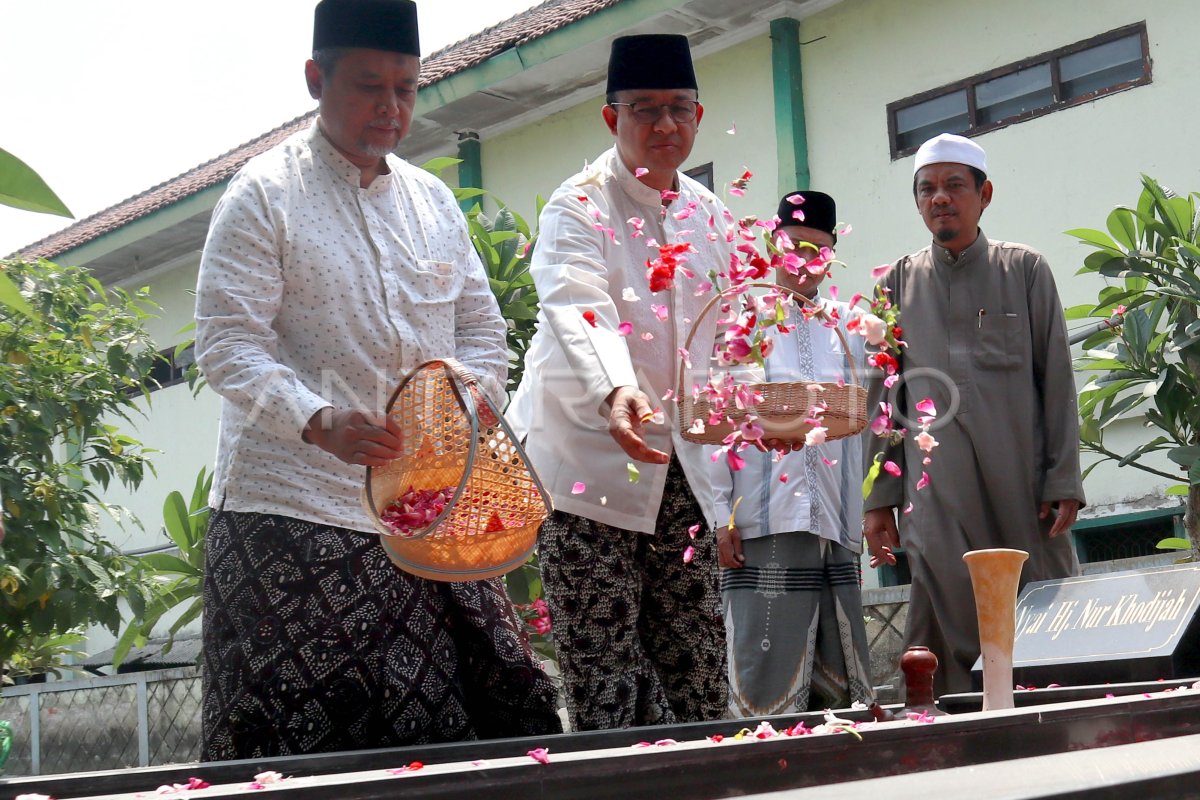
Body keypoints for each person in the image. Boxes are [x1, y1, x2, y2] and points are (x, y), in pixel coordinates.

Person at [193, 0, 560, 760]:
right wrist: (316, 418)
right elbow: (227, 344)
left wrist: (465, 409)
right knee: (306, 744)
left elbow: (481, 332)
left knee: (478, 721)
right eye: (368, 86)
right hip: (291, 512)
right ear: (315, 79)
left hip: (427, 517)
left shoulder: (431, 204)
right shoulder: (264, 194)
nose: (391, 108)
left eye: (406, 88)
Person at [506, 34, 729, 730]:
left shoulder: (711, 214)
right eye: (645, 109)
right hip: (584, 471)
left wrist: (742, 408)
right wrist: (615, 389)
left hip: (680, 469)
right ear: (612, 118)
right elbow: (577, 300)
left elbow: (726, 329)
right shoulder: (577, 205)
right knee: (606, 669)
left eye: (679, 109)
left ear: (697, 115)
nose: (664, 125)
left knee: (697, 666)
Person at [862, 133, 1084, 696]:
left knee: (1042, 598)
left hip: (1022, 477)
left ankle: (1056, 717)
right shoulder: (895, 285)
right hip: (935, 485)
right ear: (917, 202)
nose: (940, 198)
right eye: (927, 188)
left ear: (984, 194)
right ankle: (964, 735)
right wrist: (879, 502)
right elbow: (883, 400)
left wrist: (1063, 477)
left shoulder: (1026, 270)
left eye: (954, 185)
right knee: (945, 597)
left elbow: (1056, 379)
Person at [714, 191, 876, 717]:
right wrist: (720, 516)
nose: (804, 261)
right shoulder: (742, 317)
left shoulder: (851, 328)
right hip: (763, 522)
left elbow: (862, 432)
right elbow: (717, 426)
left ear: (833, 255)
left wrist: (860, 517)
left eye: (818, 250)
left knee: (840, 681)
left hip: (834, 525)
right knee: (762, 671)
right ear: (772, 245)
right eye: (794, 246)